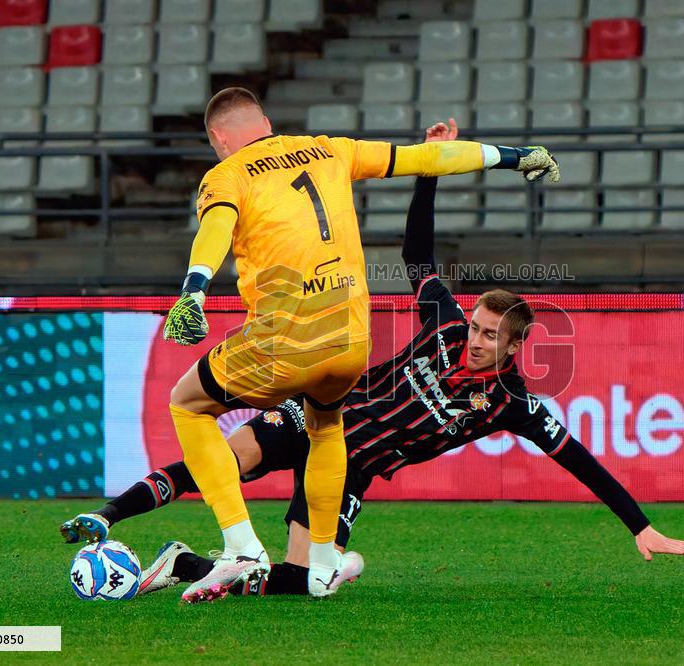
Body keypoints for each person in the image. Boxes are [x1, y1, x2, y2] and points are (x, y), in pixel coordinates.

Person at [66, 119, 684, 598]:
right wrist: (430, 172)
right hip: (317, 414)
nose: (475, 339)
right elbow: (418, 255)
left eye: (489, 335)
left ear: (513, 346)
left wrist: (640, 527)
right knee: (223, 462)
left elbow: (580, 460)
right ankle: (110, 515)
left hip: (350, 470)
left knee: (305, 584)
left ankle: (185, 564)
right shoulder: (445, 326)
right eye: (476, 326)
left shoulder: (511, 404)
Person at [161, 89, 560, 601]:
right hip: (350, 342)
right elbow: (429, 157)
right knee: (326, 426)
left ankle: (240, 546)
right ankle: (323, 561)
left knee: (187, 403)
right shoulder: (330, 149)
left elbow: (215, 228)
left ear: (218, 137)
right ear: (266, 121)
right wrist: (514, 156)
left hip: (285, 341)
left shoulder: (227, 174)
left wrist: (194, 289)